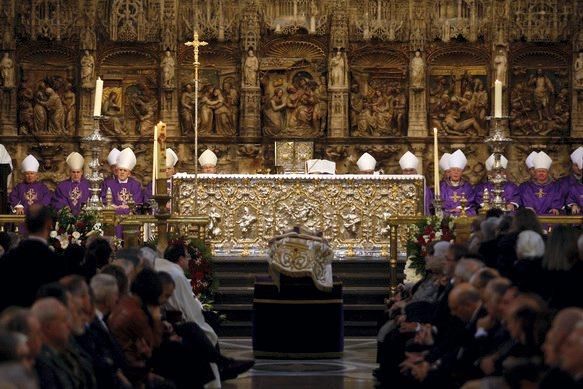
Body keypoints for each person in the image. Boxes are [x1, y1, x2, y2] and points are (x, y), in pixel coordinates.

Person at [101, 148, 143, 237]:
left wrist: (127, 206)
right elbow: (105, 199)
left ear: (129, 173)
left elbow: (138, 200)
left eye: (125, 170)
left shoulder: (135, 184)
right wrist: (115, 206)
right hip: (113, 215)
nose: (122, 173)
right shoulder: (109, 184)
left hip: (130, 214)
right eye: (120, 170)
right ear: (117, 171)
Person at [517, 151, 563, 215]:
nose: (541, 173)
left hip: (550, 218)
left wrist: (555, 208)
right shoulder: (527, 187)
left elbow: (557, 200)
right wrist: (529, 208)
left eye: (543, 171)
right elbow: (525, 200)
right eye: (539, 171)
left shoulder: (555, 187)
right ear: (535, 173)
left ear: (548, 172)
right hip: (531, 218)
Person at [440, 149, 476, 216]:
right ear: (450, 172)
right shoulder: (442, 186)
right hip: (447, 212)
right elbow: (440, 203)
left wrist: (461, 208)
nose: (456, 172)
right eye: (453, 170)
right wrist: (451, 209)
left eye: (458, 170)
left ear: (462, 173)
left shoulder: (467, 186)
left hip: (463, 212)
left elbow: (471, 202)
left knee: (472, 212)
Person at [560, 146, 583, 211]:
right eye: (576, 165)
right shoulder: (563, 182)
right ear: (571, 165)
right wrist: (572, 205)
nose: (579, 168)